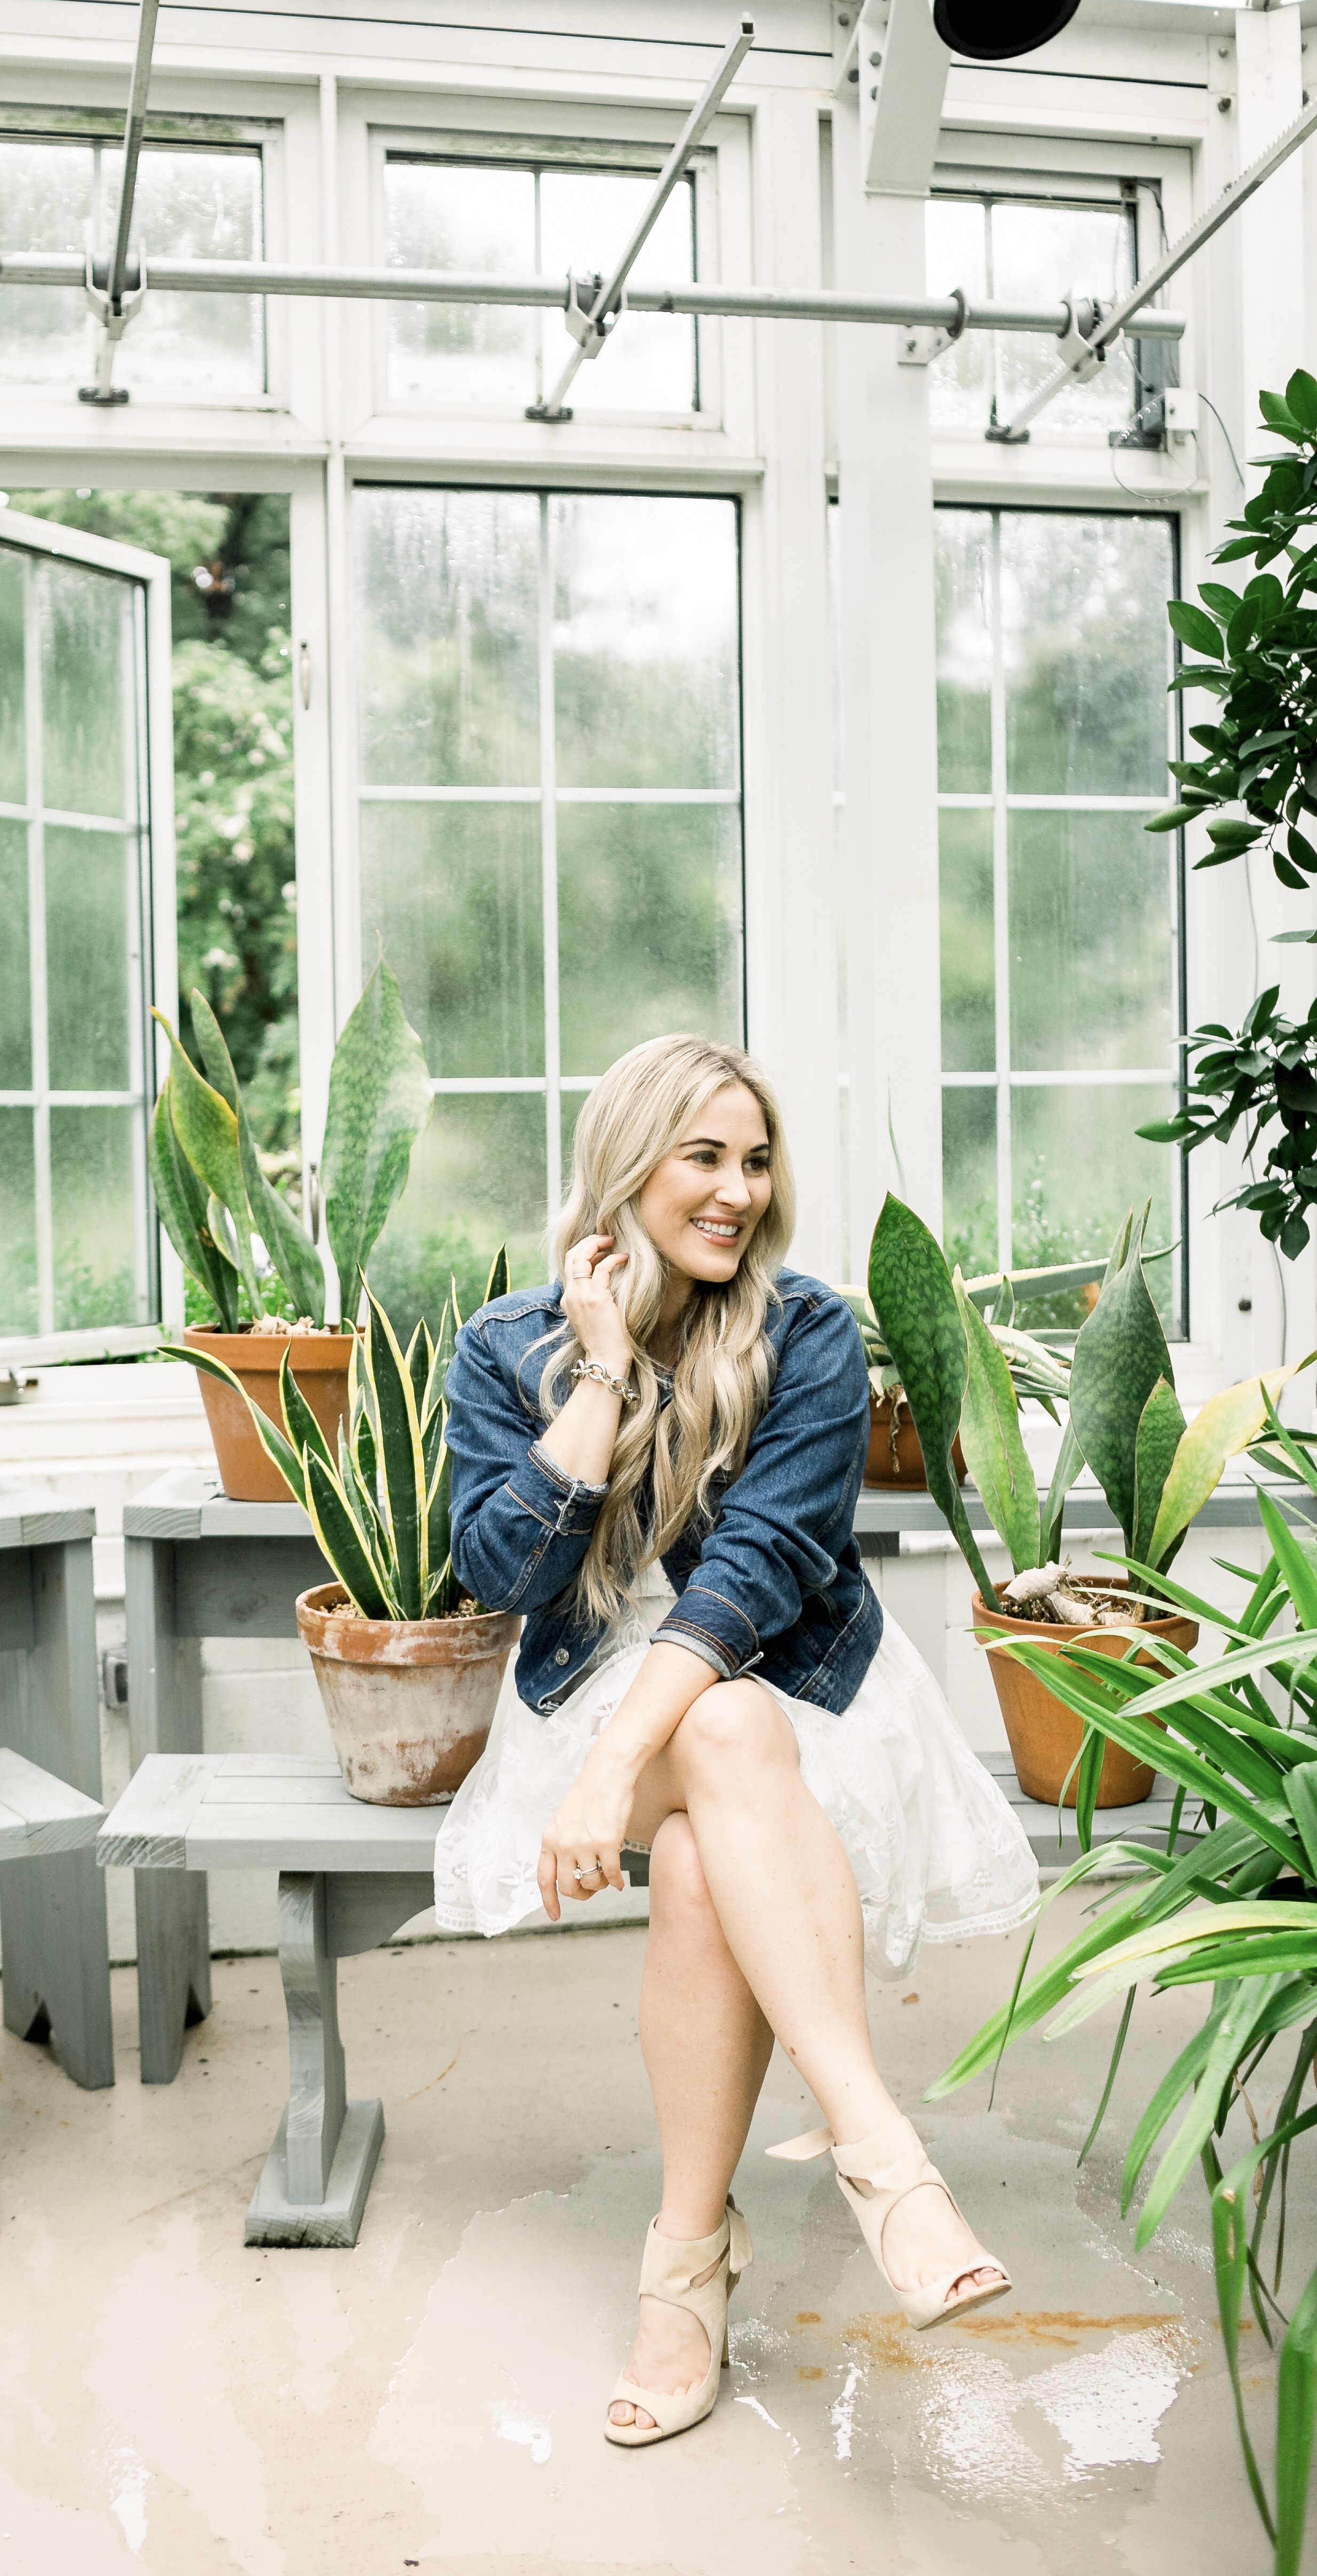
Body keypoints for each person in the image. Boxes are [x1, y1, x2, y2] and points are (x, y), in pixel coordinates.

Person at [436, 1034, 1039, 2449]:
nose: (736, 1190)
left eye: (755, 1160)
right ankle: (882, 2156)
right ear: (629, 1166)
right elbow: (502, 1580)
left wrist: (611, 1774)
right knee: (714, 1731)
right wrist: (596, 1379)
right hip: (593, 1698)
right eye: (702, 1156)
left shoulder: (810, 1329)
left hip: (789, 1693)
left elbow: (759, 1570)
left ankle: (684, 2270)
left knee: (712, 1814)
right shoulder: (503, 1349)